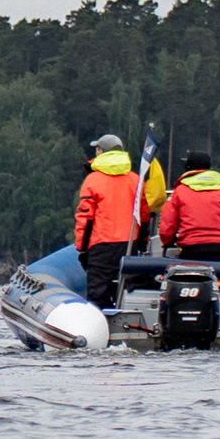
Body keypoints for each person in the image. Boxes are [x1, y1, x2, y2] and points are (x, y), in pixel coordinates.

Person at [72, 133, 139, 310]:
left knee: (97, 295)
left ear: (101, 152)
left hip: (102, 245)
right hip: (130, 245)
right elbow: (144, 214)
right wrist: (142, 243)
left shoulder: (93, 179)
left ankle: (100, 330)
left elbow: (85, 217)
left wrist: (82, 247)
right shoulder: (135, 179)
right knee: (131, 290)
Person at [157, 152, 220, 262]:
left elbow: (167, 225)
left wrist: (168, 242)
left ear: (188, 168)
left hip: (191, 248)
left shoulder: (179, 193)